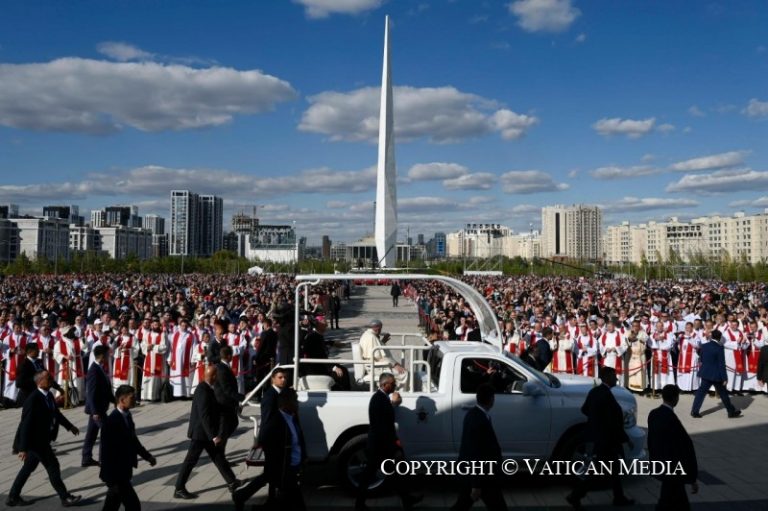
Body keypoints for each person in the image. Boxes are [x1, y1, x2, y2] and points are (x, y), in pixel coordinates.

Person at [7, 370, 82, 507]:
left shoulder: (48, 396)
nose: (52, 379)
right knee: (53, 466)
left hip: (42, 439)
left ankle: (13, 497)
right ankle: (65, 497)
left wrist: (70, 426)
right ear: (40, 382)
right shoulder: (33, 399)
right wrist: (22, 448)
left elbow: (56, 414)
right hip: (36, 442)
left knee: (28, 468)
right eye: (48, 378)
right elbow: (25, 424)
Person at [566, 366, 634, 510]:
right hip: (606, 441)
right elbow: (613, 423)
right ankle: (575, 495)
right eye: (614, 376)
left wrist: (595, 420)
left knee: (611, 470)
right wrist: (626, 439)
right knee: (599, 472)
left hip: (598, 438)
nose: (616, 379)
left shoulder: (595, 392)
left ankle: (618, 497)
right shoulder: (606, 396)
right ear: (607, 378)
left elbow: (585, 409)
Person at [355, 373, 422, 511]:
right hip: (379, 446)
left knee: (392, 474)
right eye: (393, 383)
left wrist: (393, 404)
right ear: (385, 385)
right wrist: (394, 444)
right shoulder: (379, 399)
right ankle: (360, 504)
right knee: (375, 474)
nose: (395, 385)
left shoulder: (380, 398)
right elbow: (383, 425)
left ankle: (406, 499)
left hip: (380, 445)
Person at [174, 365, 241, 499]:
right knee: (190, 461)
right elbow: (204, 416)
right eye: (217, 375)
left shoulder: (208, 388)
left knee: (218, 457)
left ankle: (232, 482)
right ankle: (179, 488)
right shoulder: (202, 390)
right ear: (214, 376)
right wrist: (214, 436)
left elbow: (215, 407)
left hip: (206, 433)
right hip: (201, 434)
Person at [232, 368, 288, 510]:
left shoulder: (279, 393)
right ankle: (241, 495)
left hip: (276, 440)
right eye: (280, 377)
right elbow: (267, 421)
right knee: (270, 474)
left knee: (272, 473)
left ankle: (271, 501)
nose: (283, 380)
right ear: (273, 379)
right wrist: (262, 442)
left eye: (284, 377)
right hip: (271, 441)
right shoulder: (270, 396)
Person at [100, 385, 157, 511]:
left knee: (111, 506)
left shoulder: (127, 416)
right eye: (132, 397)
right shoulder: (111, 422)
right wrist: (111, 477)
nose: (135, 399)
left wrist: (147, 456)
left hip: (124, 472)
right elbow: (106, 452)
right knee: (133, 506)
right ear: (122, 400)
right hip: (116, 474)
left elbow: (133, 441)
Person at [451, 383, 507, 511]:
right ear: (491, 399)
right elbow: (474, 453)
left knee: (462, 505)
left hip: (474, 475)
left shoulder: (473, 415)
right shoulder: (479, 420)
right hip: (482, 476)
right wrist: (476, 484)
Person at [648, 385, 698, 510]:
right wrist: (692, 477)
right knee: (676, 501)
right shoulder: (671, 419)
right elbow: (686, 448)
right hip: (673, 468)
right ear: (676, 398)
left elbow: (651, 440)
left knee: (668, 497)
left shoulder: (653, 414)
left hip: (661, 464)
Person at [261, 388, 307, 510]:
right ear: (286, 403)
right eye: (295, 400)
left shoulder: (292, 418)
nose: (297, 403)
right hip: (285, 473)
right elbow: (269, 447)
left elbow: (298, 442)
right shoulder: (276, 422)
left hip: (293, 470)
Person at [690, 329, 742, 418]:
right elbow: (721, 364)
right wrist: (725, 378)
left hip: (706, 373)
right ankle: (731, 411)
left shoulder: (705, 345)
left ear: (712, 336)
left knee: (701, 393)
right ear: (720, 338)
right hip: (716, 375)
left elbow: (701, 358)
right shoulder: (719, 348)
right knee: (723, 394)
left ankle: (694, 411)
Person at [82, 345, 116, 468]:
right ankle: (104, 459)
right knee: (107, 432)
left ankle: (86, 458)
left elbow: (106, 389)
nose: (108, 356)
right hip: (97, 410)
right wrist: (95, 411)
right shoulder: (94, 370)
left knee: (91, 434)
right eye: (107, 354)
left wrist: (115, 401)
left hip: (99, 408)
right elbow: (90, 393)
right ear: (102, 356)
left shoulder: (100, 368)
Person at [358, 319, 408, 387]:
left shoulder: (366, 334)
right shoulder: (372, 337)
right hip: (376, 367)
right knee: (404, 373)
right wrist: (395, 365)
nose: (380, 331)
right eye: (380, 329)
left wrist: (382, 342)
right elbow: (380, 357)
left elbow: (376, 349)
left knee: (401, 368)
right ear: (378, 328)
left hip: (372, 365)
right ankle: (398, 390)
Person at [214, 345, 243, 454]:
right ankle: (219, 454)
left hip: (229, 403)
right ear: (229, 356)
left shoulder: (224, 367)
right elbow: (227, 389)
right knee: (224, 430)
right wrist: (242, 397)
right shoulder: (222, 369)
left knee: (232, 424)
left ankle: (219, 448)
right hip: (224, 404)